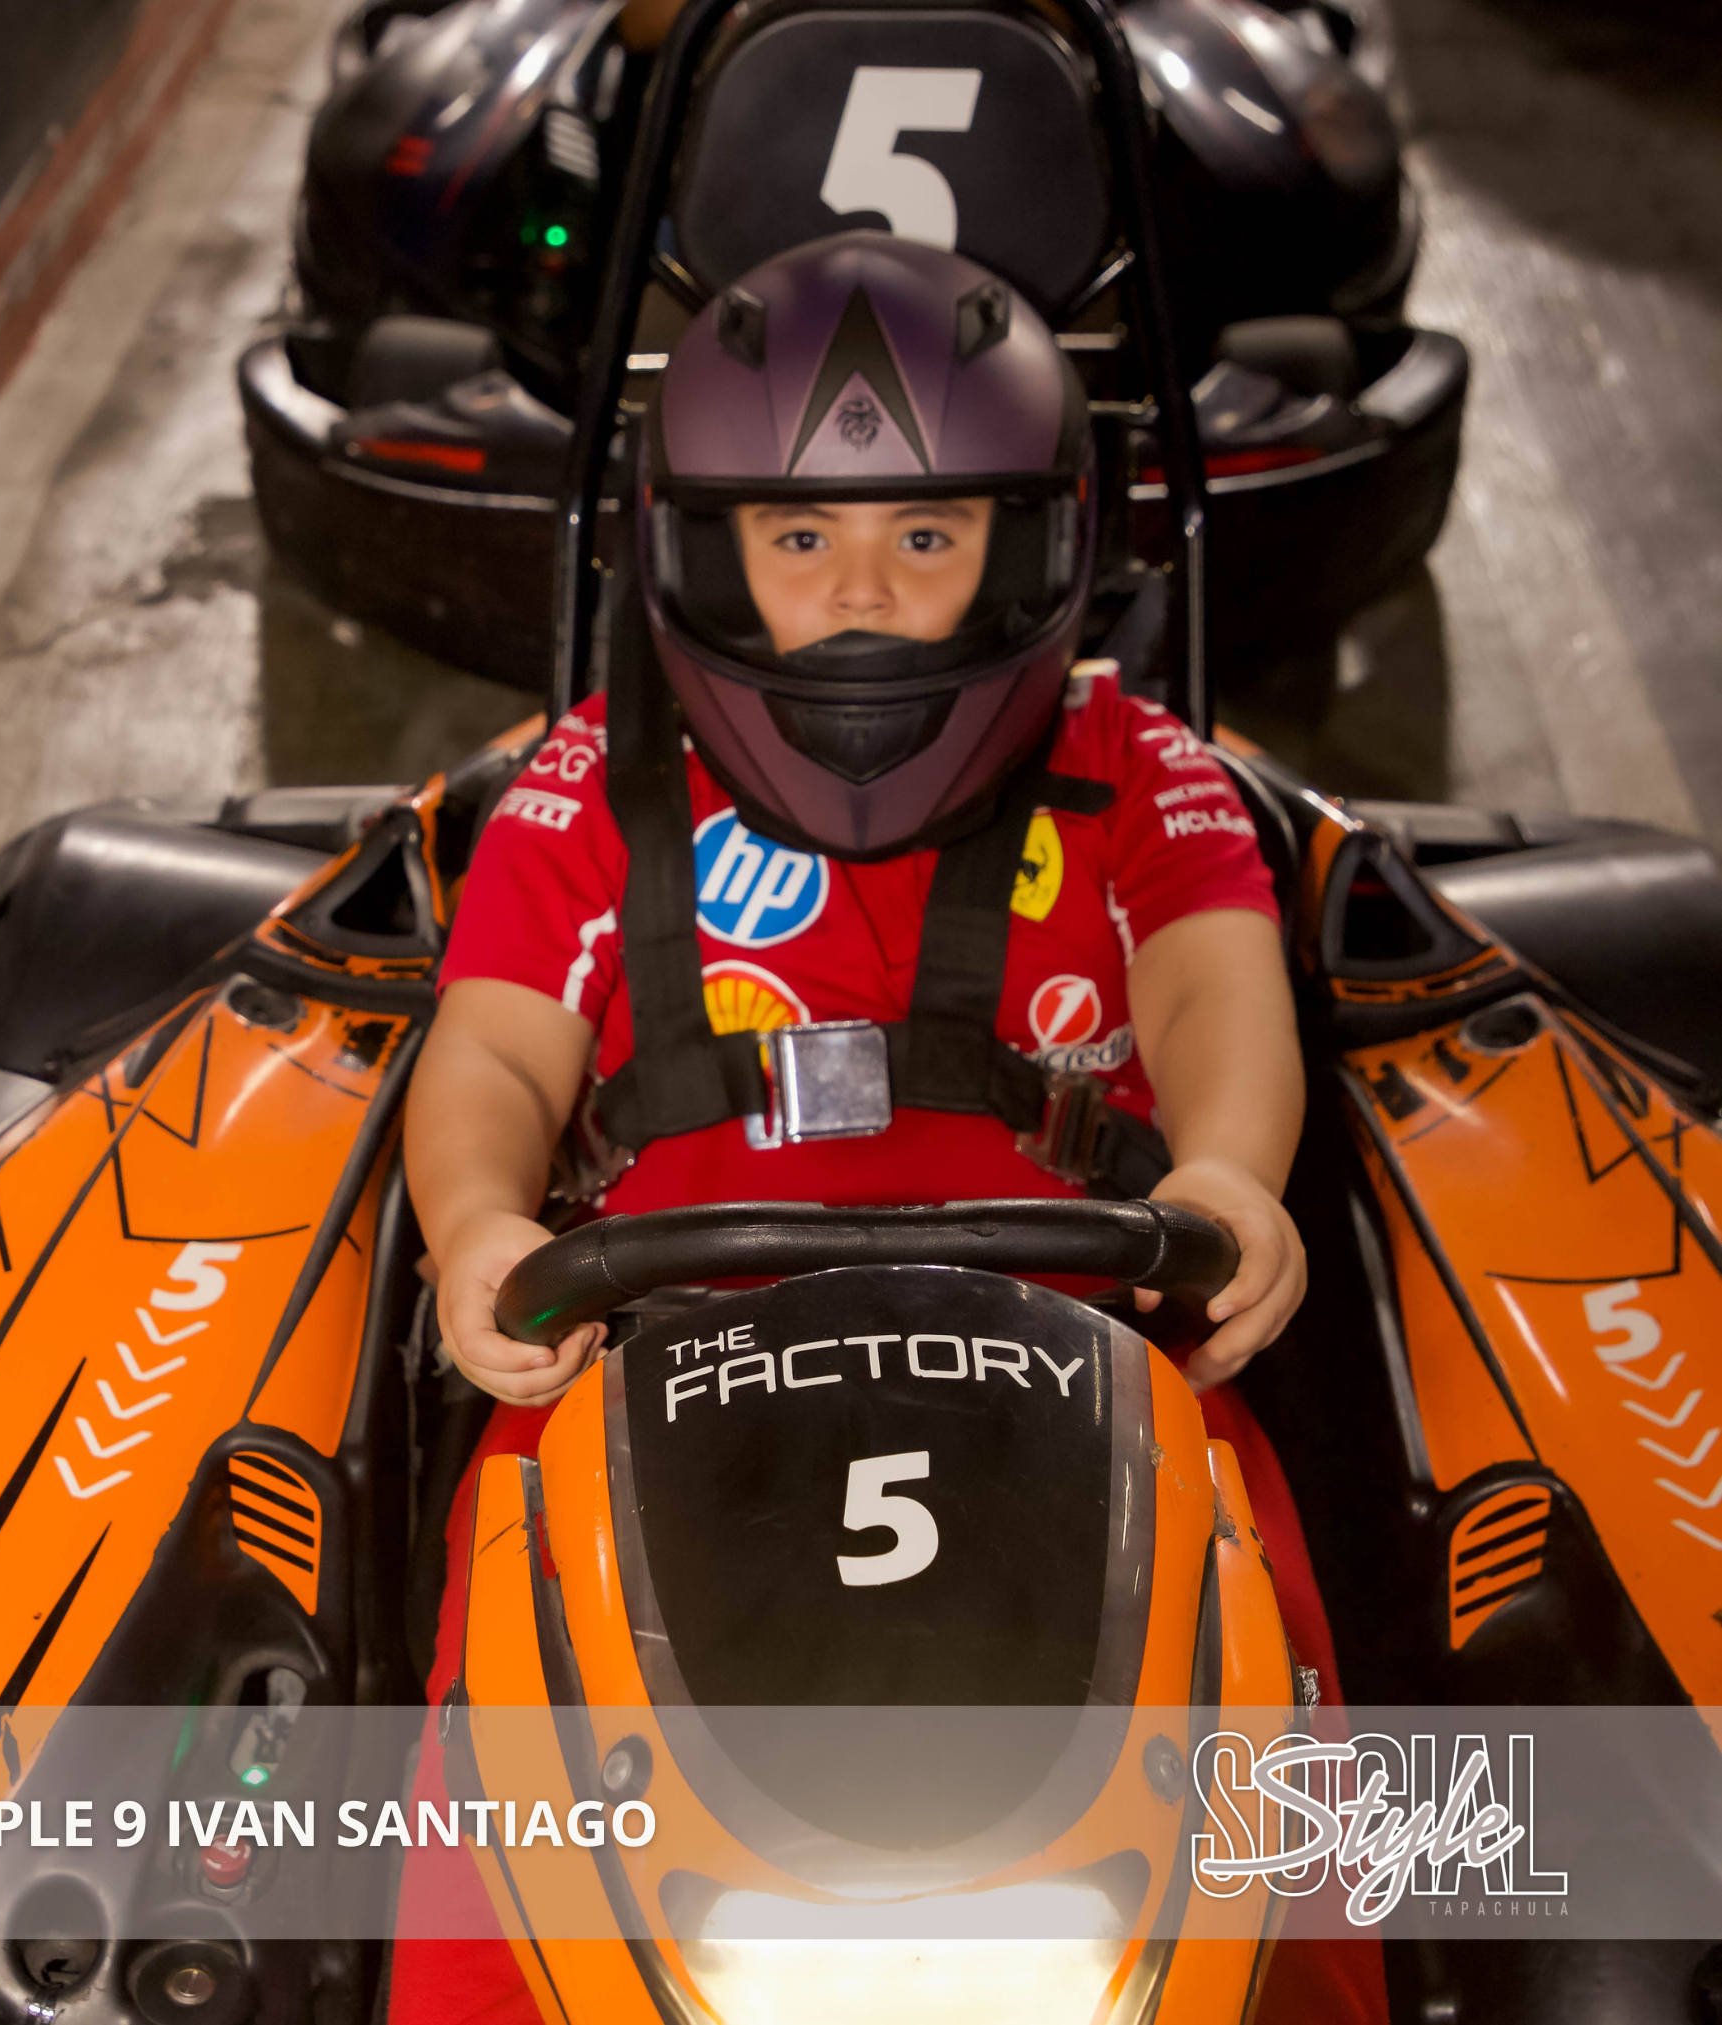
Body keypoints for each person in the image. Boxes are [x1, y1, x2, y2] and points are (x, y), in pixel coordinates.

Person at [393, 230, 1384, 2024]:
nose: (859, 591)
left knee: (1271, 1652)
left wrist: (1230, 1173)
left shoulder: (1133, 769)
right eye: (800, 540)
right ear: (708, 549)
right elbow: (494, 1055)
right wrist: (479, 1225)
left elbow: (1213, 989)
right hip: (642, 1359)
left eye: (926, 539)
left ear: (1035, 545)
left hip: (1093, 1353)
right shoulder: (597, 783)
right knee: (499, 1725)